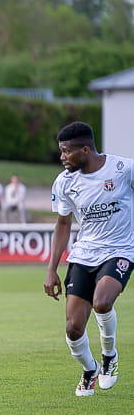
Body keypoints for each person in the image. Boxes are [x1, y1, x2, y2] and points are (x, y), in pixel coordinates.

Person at [44, 122, 133, 397]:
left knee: (102, 302)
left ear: (85, 150)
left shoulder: (124, 170)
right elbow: (63, 224)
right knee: (73, 329)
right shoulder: (65, 182)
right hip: (84, 254)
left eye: (66, 151)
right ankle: (89, 368)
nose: (62, 157)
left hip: (120, 249)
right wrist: (51, 269)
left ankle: (109, 356)